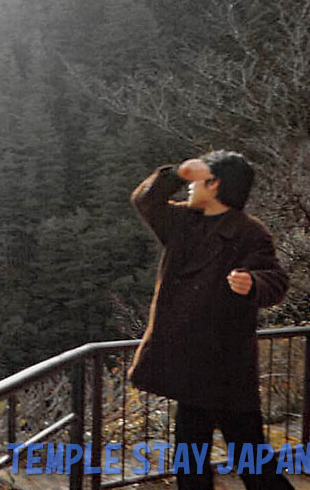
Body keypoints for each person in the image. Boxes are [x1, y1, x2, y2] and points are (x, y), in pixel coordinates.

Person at [127, 150, 294, 490]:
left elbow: (276, 281)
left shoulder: (249, 232)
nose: (189, 187)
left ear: (215, 185)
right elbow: (145, 201)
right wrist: (174, 173)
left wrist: (253, 283)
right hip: (190, 364)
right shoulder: (182, 221)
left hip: (227, 366)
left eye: (198, 180)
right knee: (191, 465)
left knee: (253, 463)